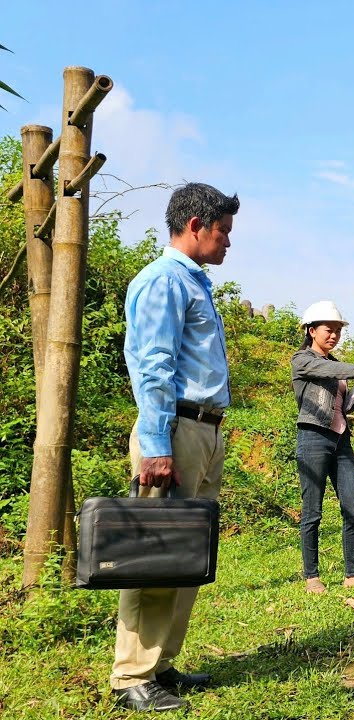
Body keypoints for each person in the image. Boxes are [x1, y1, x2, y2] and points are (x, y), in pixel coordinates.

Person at [112, 183, 240, 712]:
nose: (228, 243)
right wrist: (158, 443)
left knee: (186, 553)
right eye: (224, 232)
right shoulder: (163, 281)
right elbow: (153, 367)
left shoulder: (195, 283)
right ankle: (130, 677)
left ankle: (161, 664)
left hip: (204, 430)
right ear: (196, 226)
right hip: (175, 431)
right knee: (155, 555)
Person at [291, 301, 354, 594]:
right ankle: (312, 577)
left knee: (353, 508)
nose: (334, 335)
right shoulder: (302, 360)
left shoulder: (335, 367)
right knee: (312, 511)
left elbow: (342, 409)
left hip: (340, 440)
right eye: (329, 330)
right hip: (313, 438)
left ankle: (352, 574)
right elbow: (328, 369)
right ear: (312, 331)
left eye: (338, 331)